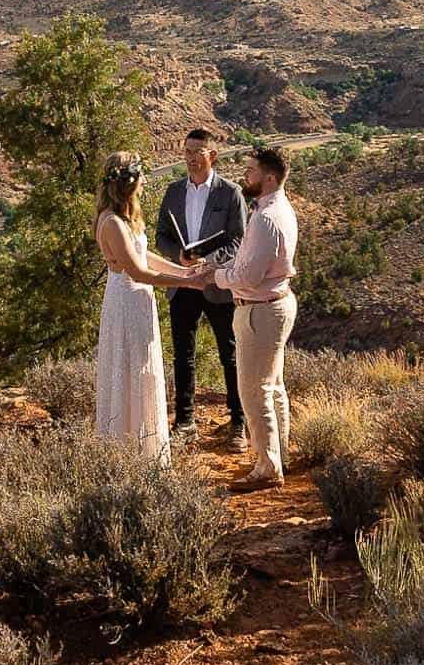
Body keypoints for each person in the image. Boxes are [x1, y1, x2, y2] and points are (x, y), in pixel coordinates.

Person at [92, 152, 206, 459]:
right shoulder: (112, 223)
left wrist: (183, 271)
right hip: (127, 301)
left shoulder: (127, 218)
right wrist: (188, 283)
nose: (145, 181)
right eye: (141, 176)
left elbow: (145, 256)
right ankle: (131, 452)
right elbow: (138, 271)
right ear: (131, 182)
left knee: (140, 370)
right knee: (131, 370)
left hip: (139, 300)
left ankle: (146, 449)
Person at [156, 127, 249, 441]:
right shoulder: (173, 191)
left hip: (217, 285)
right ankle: (184, 422)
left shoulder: (230, 192)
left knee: (230, 354)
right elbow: (162, 236)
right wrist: (179, 257)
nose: (191, 158)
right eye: (187, 152)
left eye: (197, 152)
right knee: (183, 354)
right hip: (182, 284)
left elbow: (238, 241)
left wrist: (209, 264)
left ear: (213, 155)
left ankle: (238, 423)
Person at [222, 146, 299, 490]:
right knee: (274, 387)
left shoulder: (266, 218)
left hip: (259, 310)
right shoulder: (278, 208)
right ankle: (278, 454)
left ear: (268, 178)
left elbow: (248, 277)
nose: (245, 175)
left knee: (254, 391)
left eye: (251, 171)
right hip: (276, 304)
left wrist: (215, 276)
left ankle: (268, 467)